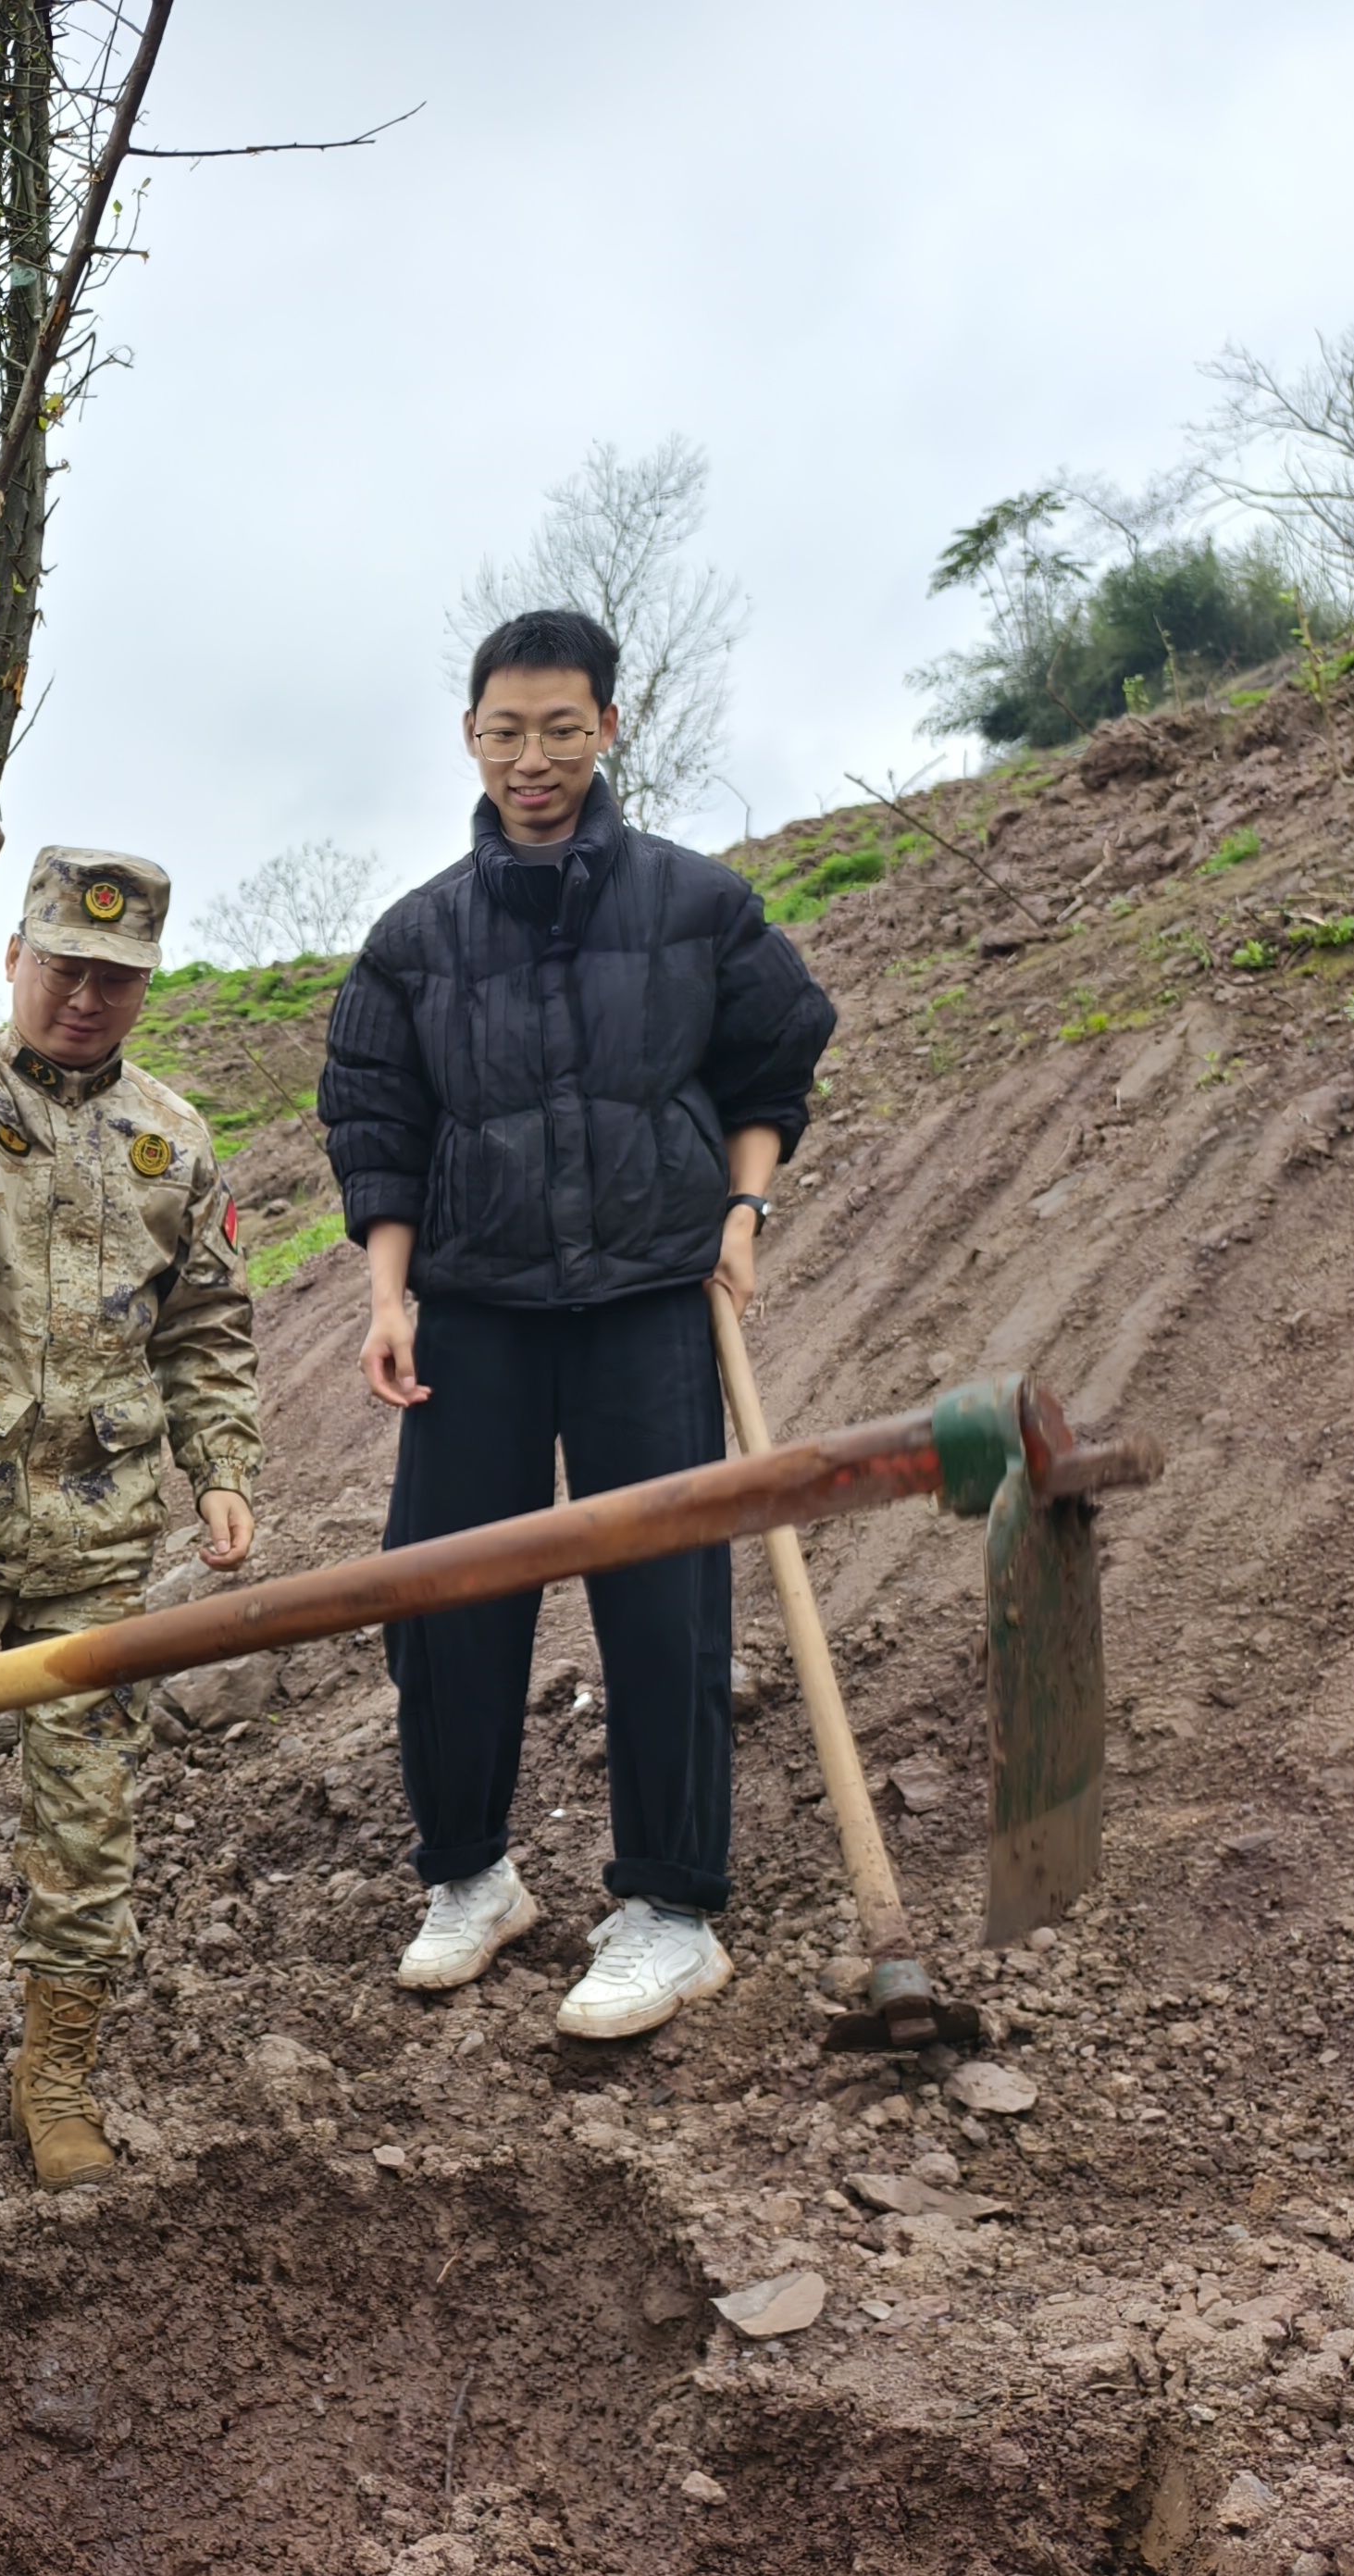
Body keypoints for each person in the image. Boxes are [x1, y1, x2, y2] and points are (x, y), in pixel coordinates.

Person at [317, 607, 837, 2040]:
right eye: (503, 731)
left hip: (647, 1297)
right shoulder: (415, 939)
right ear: (469, 739)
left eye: (559, 728)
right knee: (442, 1596)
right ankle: (470, 1878)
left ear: (609, 726)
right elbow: (379, 1123)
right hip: (476, 1307)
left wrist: (743, 1215)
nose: (530, 758)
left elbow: (771, 1063)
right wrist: (386, 1294)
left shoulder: (695, 905)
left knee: (664, 1606)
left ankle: (669, 1911)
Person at [0, 846, 261, 2195]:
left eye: (118, 978)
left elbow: (204, 1322)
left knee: (87, 1819)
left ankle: (56, 2070)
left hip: (94, 1542)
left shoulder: (174, 1136)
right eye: (67, 968)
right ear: (18, 958)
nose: (88, 996)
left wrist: (224, 1469)